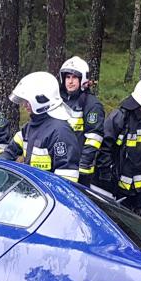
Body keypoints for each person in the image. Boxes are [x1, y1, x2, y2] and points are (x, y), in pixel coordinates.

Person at [99, 76, 141, 222]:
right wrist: (107, 175)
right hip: (119, 189)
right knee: (121, 227)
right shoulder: (119, 118)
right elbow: (104, 147)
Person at [0, 72, 83, 182]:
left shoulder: (61, 132)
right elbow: (10, 152)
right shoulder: (30, 126)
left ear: (41, 100)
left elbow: (67, 179)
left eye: (28, 101)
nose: (24, 105)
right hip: (34, 193)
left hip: (48, 196)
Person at [56, 56, 106, 185]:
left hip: (79, 168)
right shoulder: (58, 101)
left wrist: (83, 165)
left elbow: (94, 138)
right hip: (59, 164)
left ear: (82, 79)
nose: (70, 81)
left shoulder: (92, 104)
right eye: (67, 77)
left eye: (74, 77)